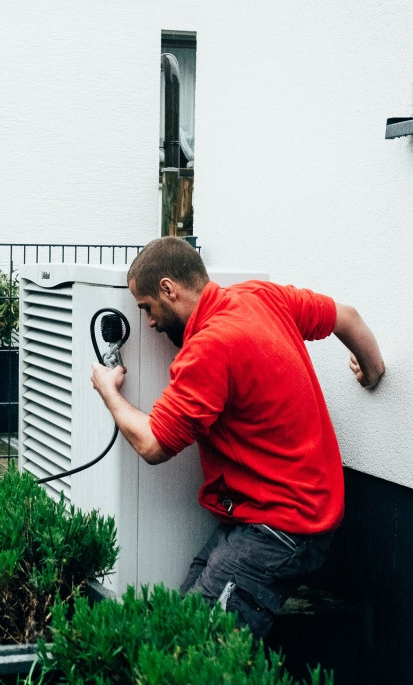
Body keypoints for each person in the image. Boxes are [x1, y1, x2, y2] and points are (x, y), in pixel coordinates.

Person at [89, 236, 385, 637]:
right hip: (276, 513)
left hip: (282, 526)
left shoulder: (209, 348)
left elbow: (152, 444)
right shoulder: (260, 296)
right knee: (177, 623)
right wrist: (373, 370)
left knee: (197, 648)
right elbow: (346, 316)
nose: (149, 323)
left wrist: (108, 390)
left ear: (168, 289)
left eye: (146, 309)